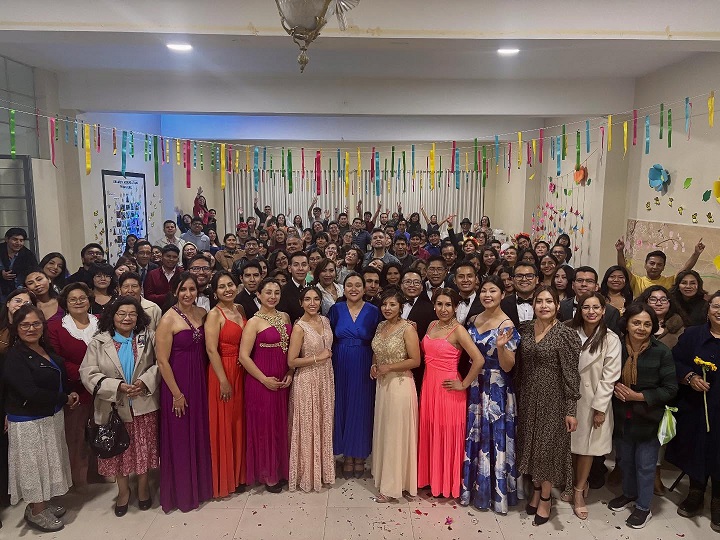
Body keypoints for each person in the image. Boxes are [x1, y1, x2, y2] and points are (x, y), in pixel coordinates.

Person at [79, 297, 159, 516]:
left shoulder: (148, 337)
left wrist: (145, 381)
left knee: (143, 450)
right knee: (117, 452)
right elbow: (87, 373)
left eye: (132, 313)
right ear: (112, 316)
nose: (127, 318)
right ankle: (123, 492)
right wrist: (117, 387)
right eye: (121, 313)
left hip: (143, 405)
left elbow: (160, 364)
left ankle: (143, 488)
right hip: (112, 407)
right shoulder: (99, 341)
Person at [4, 304, 79, 531]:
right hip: (29, 421)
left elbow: (55, 377)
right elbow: (30, 392)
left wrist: (67, 394)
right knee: (34, 466)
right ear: (16, 328)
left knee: (48, 462)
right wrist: (64, 398)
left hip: (50, 415)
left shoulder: (43, 347)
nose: (31, 328)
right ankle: (36, 511)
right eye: (25, 325)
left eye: (36, 323)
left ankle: (42, 503)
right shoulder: (14, 356)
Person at [608, 303, 677, 529]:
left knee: (645, 465)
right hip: (621, 416)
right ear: (626, 324)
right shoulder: (617, 347)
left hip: (649, 418)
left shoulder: (661, 351)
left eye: (647, 324)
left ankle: (643, 507)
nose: (641, 328)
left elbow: (670, 389)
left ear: (653, 327)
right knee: (625, 461)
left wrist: (638, 396)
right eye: (636, 322)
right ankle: (629, 494)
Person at [517, 286, 581, 526]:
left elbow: (571, 375)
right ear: (533, 305)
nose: (544, 306)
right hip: (527, 398)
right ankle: (535, 490)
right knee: (531, 447)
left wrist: (571, 410)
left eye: (549, 301)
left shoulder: (565, 335)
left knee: (546, 451)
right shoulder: (525, 329)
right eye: (539, 301)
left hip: (553, 401)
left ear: (557, 305)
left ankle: (546, 498)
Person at [418, 287, 486, 499]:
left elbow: (479, 359)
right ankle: (431, 479)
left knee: (446, 435)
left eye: (448, 305)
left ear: (456, 307)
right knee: (431, 431)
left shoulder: (458, 330)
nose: (443, 309)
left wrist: (463, 384)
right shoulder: (431, 325)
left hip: (449, 390)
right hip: (429, 387)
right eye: (439, 304)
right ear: (434, 306)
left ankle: (446, 484)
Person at [461, 275, 520, 514]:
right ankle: (473, 488)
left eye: (493, 291)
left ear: (502, 294)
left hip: (497, 388)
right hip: (476, 384)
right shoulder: (473, 319)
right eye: (484, 290)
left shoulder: (507, 325)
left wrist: (501, 347)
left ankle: (494, 494)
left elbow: (508, 366)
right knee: (476, 435)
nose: (487, 295)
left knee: (493, 438)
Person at [155, 272, 212, 512]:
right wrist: (177, 394)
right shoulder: (167, 319)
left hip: (199, 378)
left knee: (199, 431)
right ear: (175, 291)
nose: (188, 294)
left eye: (192, 289)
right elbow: (162, 361)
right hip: (177, 382)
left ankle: (201, 488)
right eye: (183, 290)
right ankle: (182, 493)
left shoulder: (202, 313)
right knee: (180, 437)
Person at [665, 292, 720, 532]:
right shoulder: (693, 334)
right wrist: (690, 377)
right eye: (716, 306)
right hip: (697, 406)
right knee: (697, 447)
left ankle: (718, 498)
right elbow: (674, 361)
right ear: (708, 309)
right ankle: (695, 491)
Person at [567, 293, 621, 520]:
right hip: (569, 398)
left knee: (587, 448)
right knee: (570, 446)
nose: (591, 312)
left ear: (603, 310)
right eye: (586, 307)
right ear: (579, 310)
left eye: (596, 307)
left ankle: (579, 491)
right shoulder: (569, 332)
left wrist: (600, 408)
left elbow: (610, 378)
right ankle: (572, 483)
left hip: (594, 400)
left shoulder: (611, 339)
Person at [238, 279, 292, 492]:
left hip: (282, 380)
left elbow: (291, 349)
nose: (272, 296)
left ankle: (280, 469)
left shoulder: (285, 317)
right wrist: (263, 379)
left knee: (280, 425)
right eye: (268, 292)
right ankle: (267, 474)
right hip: (261, 381)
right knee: (265, 428)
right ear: (259, 295)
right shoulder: (254, 322)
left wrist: (290, 372)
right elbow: (244, 357)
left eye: (276, 292)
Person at [47, 283, 100, 487]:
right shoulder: (56, 327)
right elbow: (56, 358)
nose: (78, 302)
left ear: (89, 300)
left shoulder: (101, 322)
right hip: (75, 389)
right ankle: (76, 478)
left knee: (100, 430)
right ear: (65, 303)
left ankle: (99, 472)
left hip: (101, 388)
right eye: (73, 299)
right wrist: (87, 374)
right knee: (74, 435)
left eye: (82, 298)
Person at [370, 288, 421, 502]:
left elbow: (415, 360)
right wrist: (373, 366)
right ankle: (389, 478)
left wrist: (389, 368)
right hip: (382, 386)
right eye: (384, 304)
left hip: (400, 385)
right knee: (386, 433)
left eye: (392, 304)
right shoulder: (381, 326)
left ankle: (393, 487)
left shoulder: (407, 328)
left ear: (401, 306)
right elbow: (377, 351)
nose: (387, 308)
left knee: (395, 435)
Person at [329, 272, 382, 479]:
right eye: (349, 285)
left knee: (361, 407)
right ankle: (346, 455)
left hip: (364, 361)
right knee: (342, 406)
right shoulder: (335, 309)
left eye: (358, 285)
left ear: (364, 288)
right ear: (343, 288)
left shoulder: (374, 310)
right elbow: (328, 335)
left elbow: (381, 336)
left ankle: (359, 455)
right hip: (340, 362)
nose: (354, 289)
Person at [287, 286, 335, 493]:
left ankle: (322, 471)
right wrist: (318, 357)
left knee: (323, 422)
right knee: (308, 425)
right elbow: (291, 361)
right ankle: (306, 474)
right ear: (301, 303)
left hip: (326, 377)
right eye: (307, 299)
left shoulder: (325, 321)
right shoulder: (300, 327)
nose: (312, 303)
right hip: (307, 379)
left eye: (316, 299)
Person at [205, 271, 247, 498]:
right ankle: (225, 479)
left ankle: (239, 475)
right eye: (222, 287)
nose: (227, 289)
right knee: (225, 423)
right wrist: (223, 380)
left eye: (230, 284)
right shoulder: (214, 314)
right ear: (215, 292)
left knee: (239, 422)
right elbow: (211, 349)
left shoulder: (239, 309)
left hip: (242, 370)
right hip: (223, 370)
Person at [0, 288, 37, 512]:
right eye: (17, 300)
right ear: (8, 302)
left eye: (27, 302)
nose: (21, 304)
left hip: (13, 399)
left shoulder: (29, 332)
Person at [615, 237, 705, 297]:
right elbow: (623, 270)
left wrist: (696, 253)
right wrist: (620, 251)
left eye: (659, 265)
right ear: (645, 265)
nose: (655, 267)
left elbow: (686, 268)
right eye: (652, 263)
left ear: (663, 267)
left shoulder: (670, 281)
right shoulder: (637, 281)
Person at [558, 266, 621, 335]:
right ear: (573, 285)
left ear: (596, 287)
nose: (584, 284)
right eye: (579, 280)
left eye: (589, 281)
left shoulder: (611, 312)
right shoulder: (561, 306)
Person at [0, 227, 39, 300]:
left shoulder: (28, 255)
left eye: (21, 240)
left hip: (18, 290)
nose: (18, 243)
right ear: (7, 239)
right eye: (15, 239)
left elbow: (34, 272)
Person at [277, 251, 310, 323]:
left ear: (308, 268)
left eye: (304, 265)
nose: (300, 268)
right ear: (289, 268)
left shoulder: (313, 288)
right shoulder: (283, 292)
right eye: (296, 265)